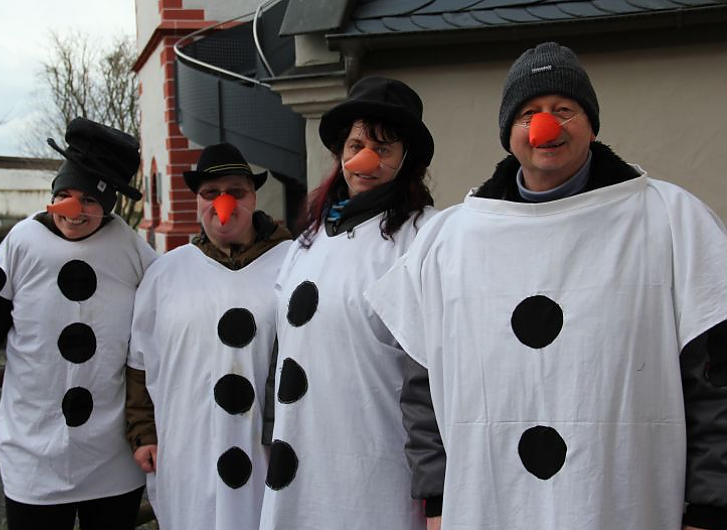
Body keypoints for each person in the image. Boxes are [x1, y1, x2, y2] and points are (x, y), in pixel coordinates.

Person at [366, 42, 727, 530]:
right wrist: (436, 499)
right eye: (529, 113)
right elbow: (421, 388)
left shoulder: (671, 221)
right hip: (489, 507)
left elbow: (713, 382)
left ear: (592, 124)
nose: (546, 126)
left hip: (626, 504)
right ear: (509, 133)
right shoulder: (448, 239)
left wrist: (709, 507)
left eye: (564, 110)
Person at [0, 117, 157, 529]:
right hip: (34, 453)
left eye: (88, 200)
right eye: (64, 195)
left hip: (110, 457)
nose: (74, 210)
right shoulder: (22, 241)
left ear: (108, 204)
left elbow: (164, 322)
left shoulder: (131, 250)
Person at [258, 76, 437, 530]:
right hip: (302, 466)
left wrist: (436, 489)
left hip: (378, 473)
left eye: (385, 148)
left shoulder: (424, 239)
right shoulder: (306, 242)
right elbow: (285, 349)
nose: (366, 160)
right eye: (356, 144)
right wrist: (270, 431)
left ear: (406, 161)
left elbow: (429, 376)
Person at [126, 142, 292, 530]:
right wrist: (143, 433)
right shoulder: (165, 274)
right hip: (189, 449)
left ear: (253, 197)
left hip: (268, 450)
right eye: (210, 193)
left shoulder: (293, 264)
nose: (223, 202)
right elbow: (139, 365)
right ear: (197, 200)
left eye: (236, 192)